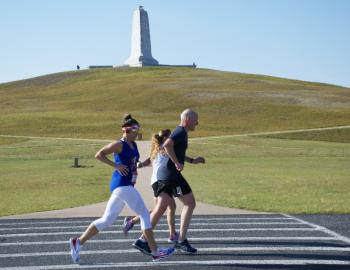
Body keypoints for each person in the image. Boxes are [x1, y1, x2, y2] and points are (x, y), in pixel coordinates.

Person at [69, 114, 175, 263]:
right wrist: (116, 166)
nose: (137, 133)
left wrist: (136, 167)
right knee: (144, 214)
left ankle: (78, 242)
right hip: (121, 185)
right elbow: (99, 155)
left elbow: (133, 161)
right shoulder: (119, 144)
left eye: (138, 130)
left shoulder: (134, 144)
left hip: (125, 186)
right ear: (126, 130)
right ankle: (155, 251)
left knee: (107, 219)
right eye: (135, 130)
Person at [133, 109, 205, 255]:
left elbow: (174, 149)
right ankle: (181, 241)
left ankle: (143, 239)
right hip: (172, 177)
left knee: (162, 207)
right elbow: (167, 145)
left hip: (167, 178)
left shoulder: (181, 132)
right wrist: (176, 162)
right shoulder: (180, 131)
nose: (197, 123)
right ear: (187, 119)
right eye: (195, 120)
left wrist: (191, 160)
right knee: (189, 203)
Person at [122, 129, 179, 244]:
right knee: (160, 209)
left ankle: (172, 233)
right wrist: (192, 160)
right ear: (166, 137)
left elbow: (150, 160)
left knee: (169, 207)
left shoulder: (157, 149)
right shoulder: (166, 148)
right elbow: (178, 156)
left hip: (157, 181)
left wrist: (142, 164)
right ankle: (133, 223)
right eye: (170, 136)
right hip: (161, 181)